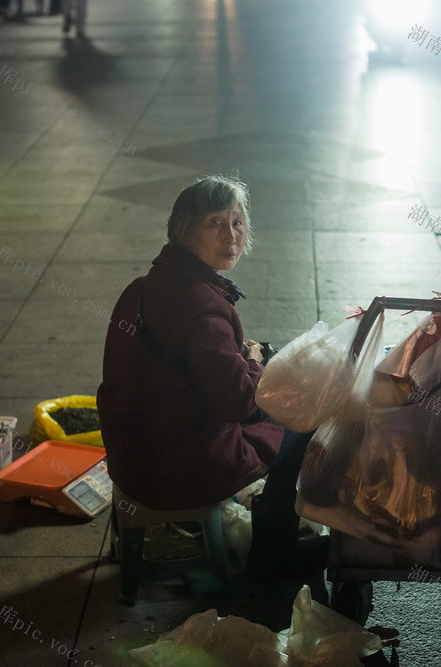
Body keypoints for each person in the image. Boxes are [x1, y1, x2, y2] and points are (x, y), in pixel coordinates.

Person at [97, 175, 327, 582]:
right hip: (179, 468)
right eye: (216, 223)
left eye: (238, 223)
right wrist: (254, 363)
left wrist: (236, 357)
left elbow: (177, 366)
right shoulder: (201, 305)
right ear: (184, 230)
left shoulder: (145, 287)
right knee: (303, 424)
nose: (232, 236)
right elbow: (241, 403)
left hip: (130, 456)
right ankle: (275, 556)